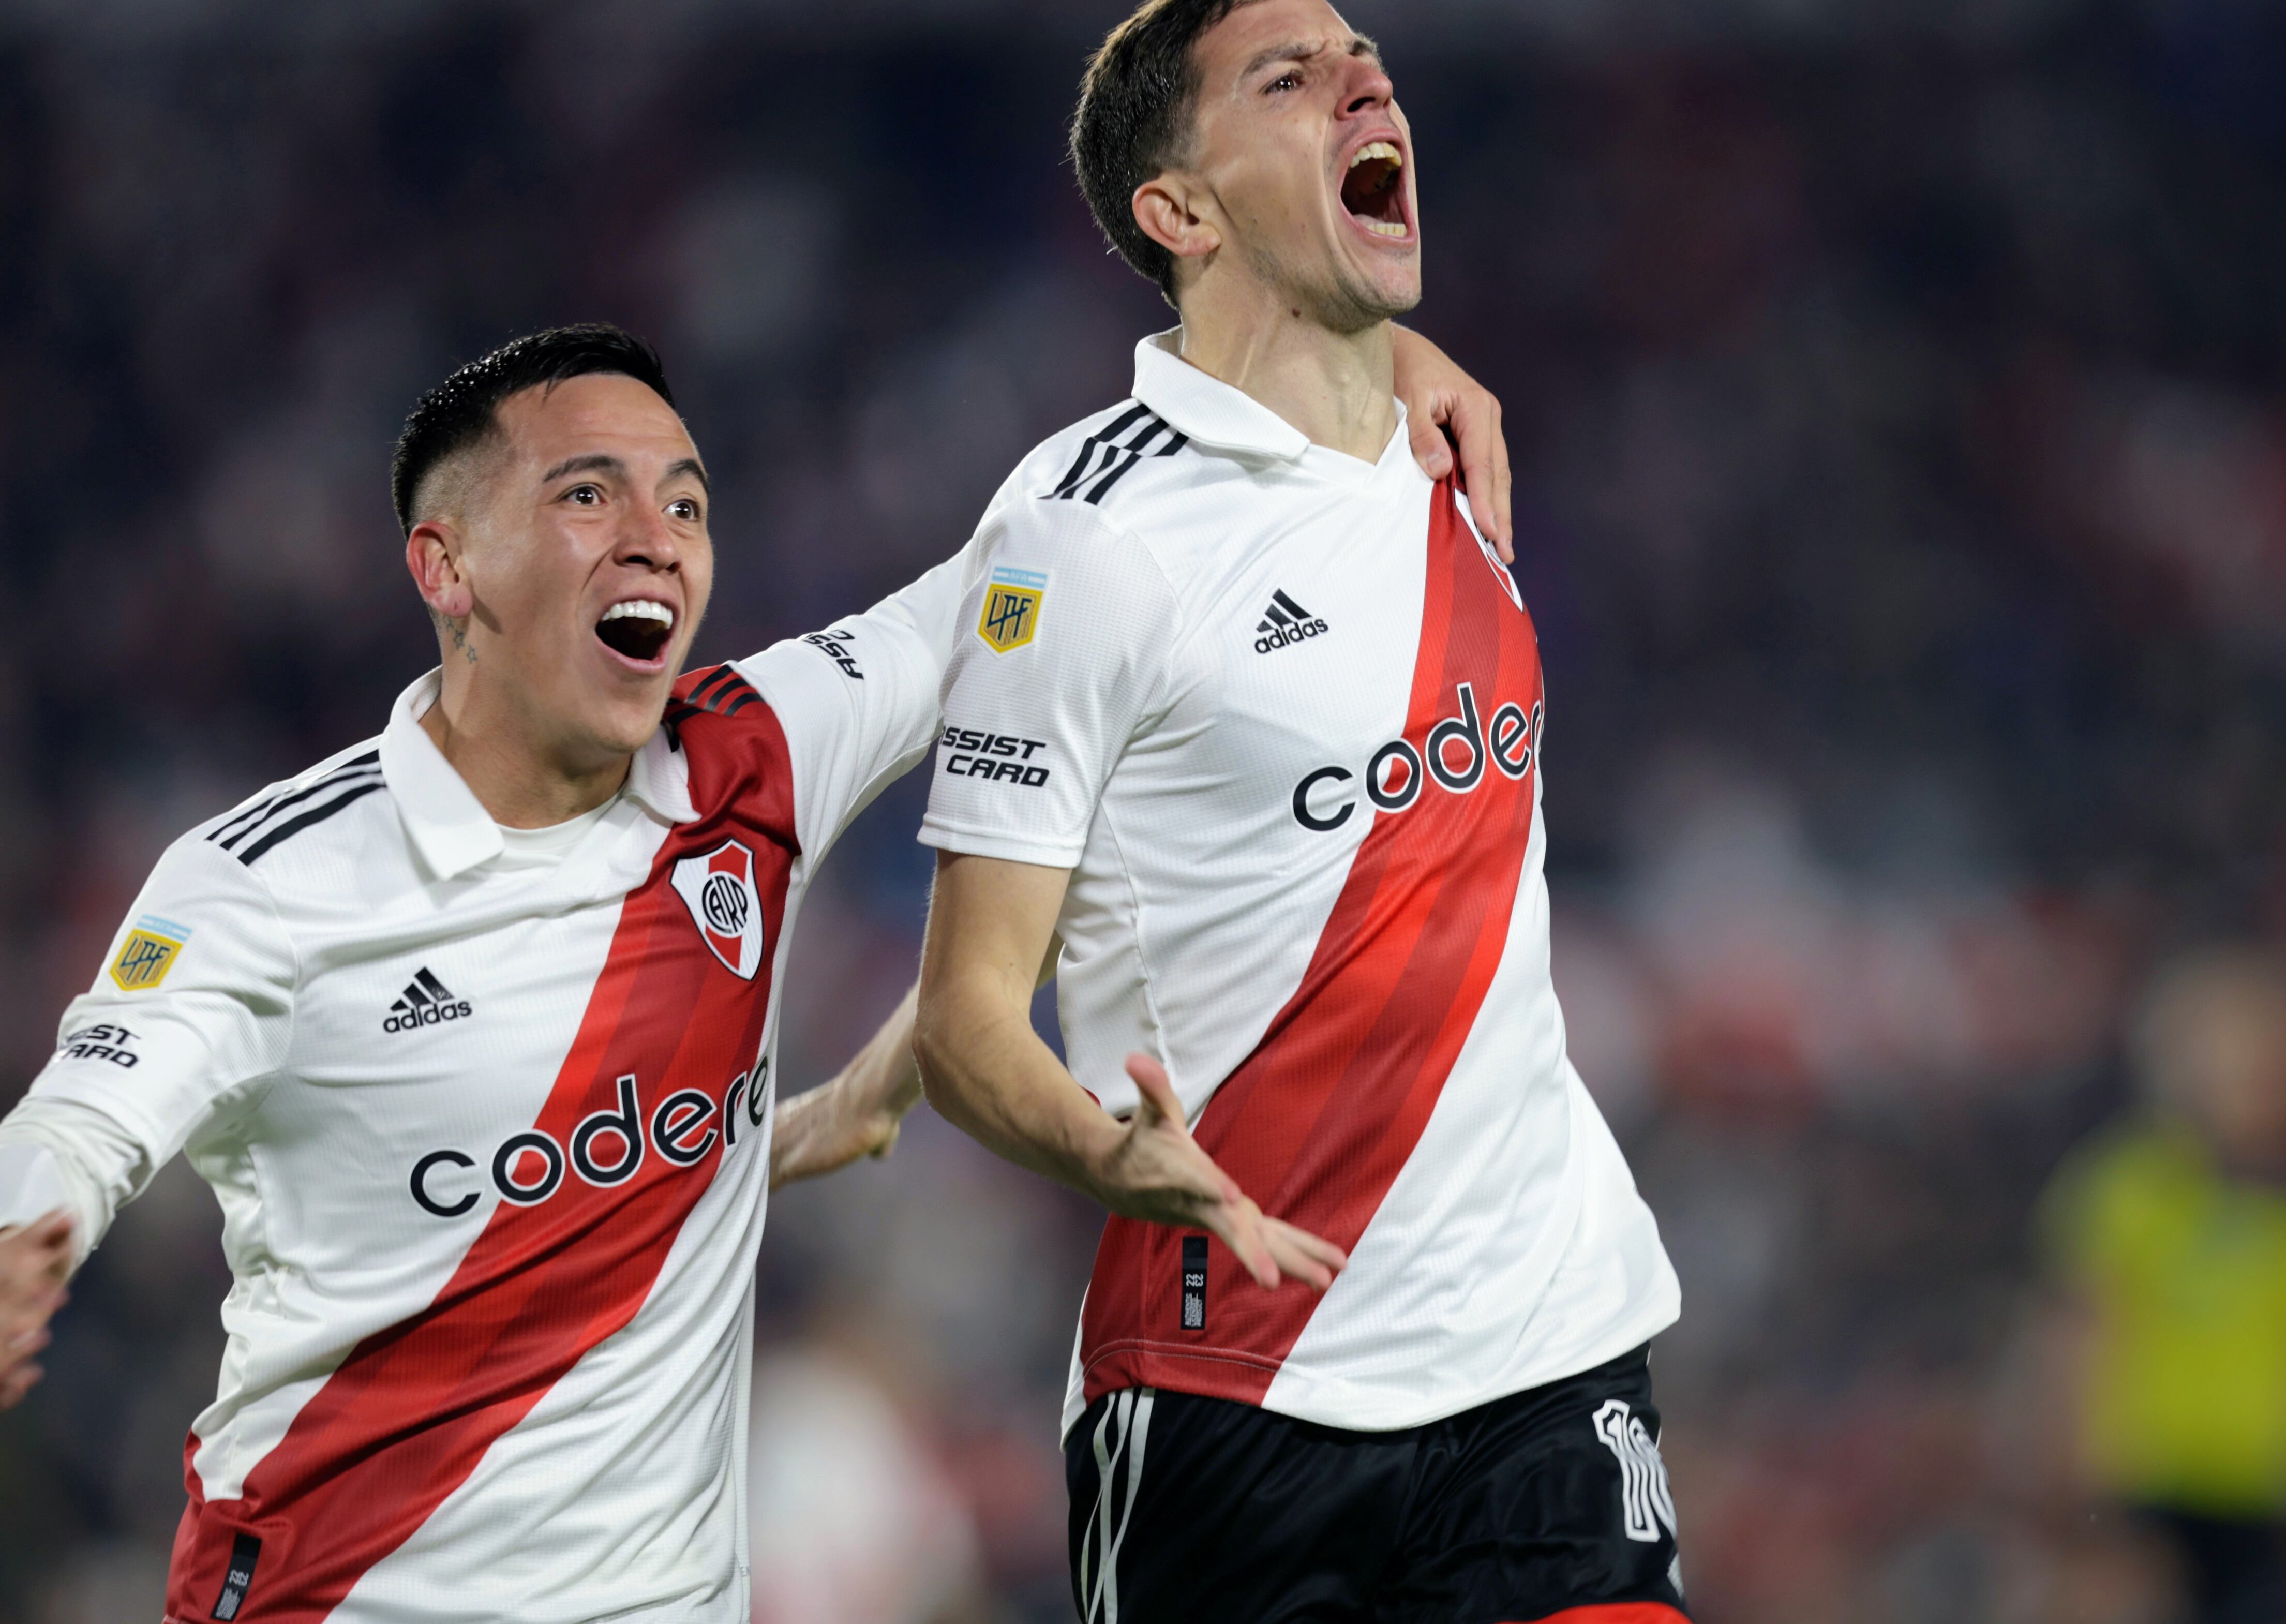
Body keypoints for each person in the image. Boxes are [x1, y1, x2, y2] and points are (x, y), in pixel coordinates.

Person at [0, 316, 1511, 1622]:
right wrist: (23, 1227)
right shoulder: (267, 882)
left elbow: (1049, 549)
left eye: (687, 499)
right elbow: (83, 1119)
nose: (654, 531)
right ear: (443, 562)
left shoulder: (755, 755)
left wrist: (1338, 372)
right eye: (587, 493)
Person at [909, 0, 1685, 1624]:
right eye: (1288, 77)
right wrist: (1127, 1162)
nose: (1366, 84)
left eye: (1366, 59)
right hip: (1233, 1394)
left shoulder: (1450, 450)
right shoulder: (1087, 541)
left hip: (1543, 1352)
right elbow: (972, 1018)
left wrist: (1381, 347)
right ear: (1179, 211)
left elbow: (1313, 410)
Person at [2037, 945, 2286, 1624]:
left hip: (2276, 1499)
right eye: (2235, 1066)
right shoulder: (2130, 1196)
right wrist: (2082, 1496)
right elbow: (2084, 1337)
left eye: (2277, 1068)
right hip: (2150, 1489)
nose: (2259, 1089)